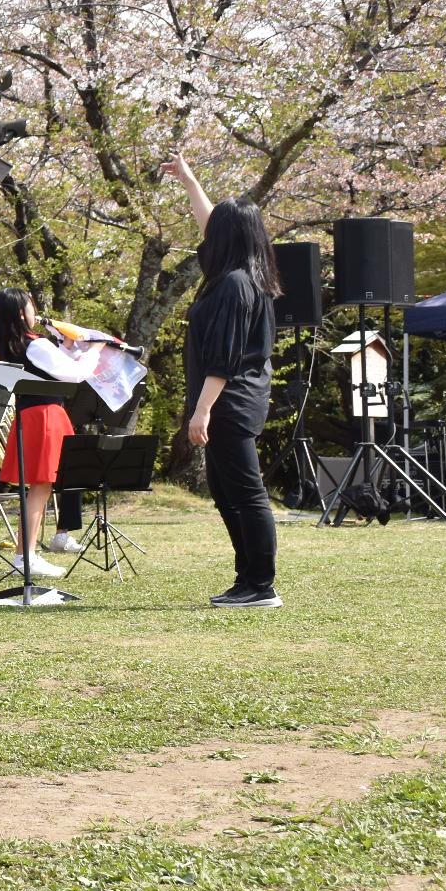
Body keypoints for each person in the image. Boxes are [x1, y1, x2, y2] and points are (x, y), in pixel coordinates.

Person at [163, 154, 282, 608]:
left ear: (228, 238)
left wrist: (202, 409)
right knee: (226, 491)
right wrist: (190, 180)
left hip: (228, 402)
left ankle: (261, 585)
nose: (207, 236)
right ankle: (247, 579)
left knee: (245, 492)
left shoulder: (234, 285)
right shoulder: (242, 277)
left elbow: (223, 360)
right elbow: (209, 223)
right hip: (232, 401)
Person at [0, 288, 101, 578]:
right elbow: (74, 375)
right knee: (40, 490)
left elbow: (52, 368)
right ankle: (25, 556)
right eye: (30, 306)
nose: (34, 311)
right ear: (19, 312)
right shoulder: (34, 344)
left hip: (32, 416)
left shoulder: (13, 344)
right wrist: (96, 349)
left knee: (40, 489)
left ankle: (26, 554)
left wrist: (66, 347)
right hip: (45, 416)